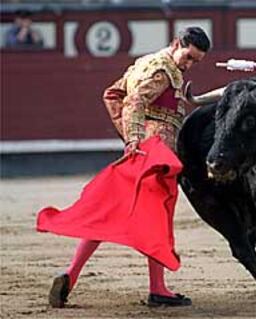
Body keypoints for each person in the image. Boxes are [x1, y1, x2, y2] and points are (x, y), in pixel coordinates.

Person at [37, 27, 210, 308]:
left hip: (142, 153)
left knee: (106, 213)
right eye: (188, 57)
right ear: (177, 43)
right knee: (157, 218)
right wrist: (135, 137)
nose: (189, 65)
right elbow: (133, 100)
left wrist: (131, 139)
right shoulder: (162, 71)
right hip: (157, 157)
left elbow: (112, 94)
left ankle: (72, 274)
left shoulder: (146, 62)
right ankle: (158, 289)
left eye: (195, 62)